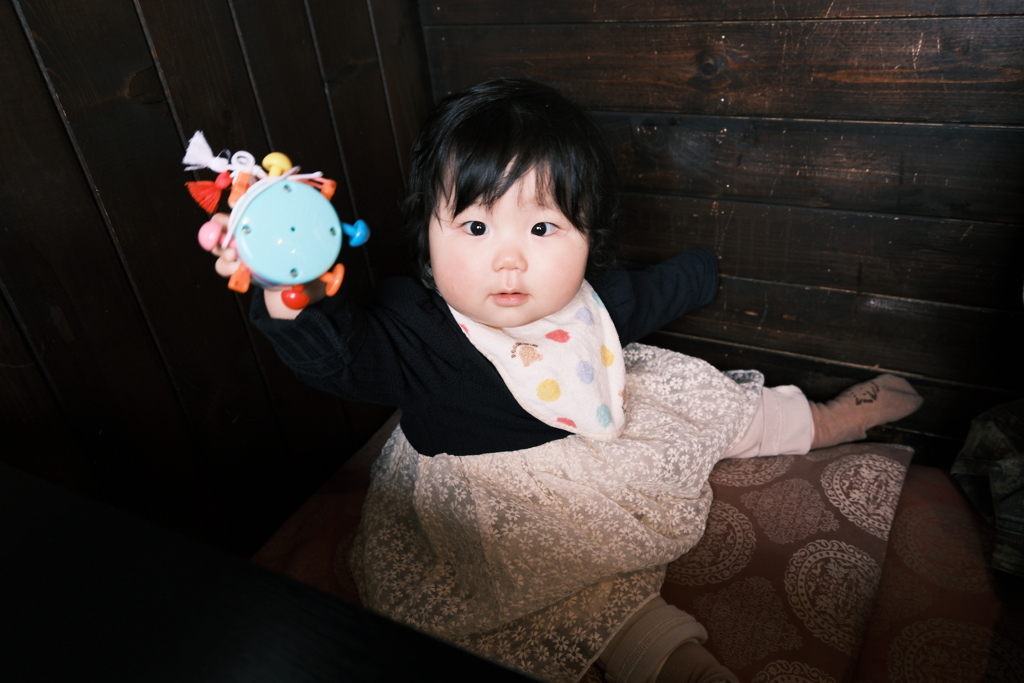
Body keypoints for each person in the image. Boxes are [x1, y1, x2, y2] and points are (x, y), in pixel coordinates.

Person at [211, 78, 922, 683]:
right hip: (491, 501)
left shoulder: (591, 305)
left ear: (588, 236)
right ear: (426, 232)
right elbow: (338, 356)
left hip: (598, 440)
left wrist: (701, 271)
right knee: (586, 598)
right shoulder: (411, 332)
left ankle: (823, 420)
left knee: (705, 400)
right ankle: (675, 658)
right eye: (476, 227)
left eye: (543, 229)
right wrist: (286, 290)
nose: (509, 261)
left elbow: (650, 294)